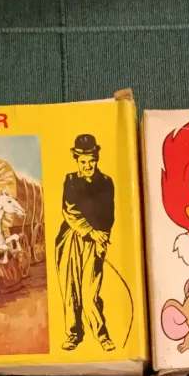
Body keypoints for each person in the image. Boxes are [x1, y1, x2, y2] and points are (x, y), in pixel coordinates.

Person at [55, 134, 115, 351]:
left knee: (90, 292)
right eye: (83, 161)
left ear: (96, 159)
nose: (87, 166)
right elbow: (69, 211)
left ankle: (102, 335)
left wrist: (102, 236)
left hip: (95, 241)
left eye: (91, 161)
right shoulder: (70, 180)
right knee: (70, 289)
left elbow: (109, 214)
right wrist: (90, 231)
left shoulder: (106, 182)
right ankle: (73, 334)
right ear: (77, 160)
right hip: (70, 239)